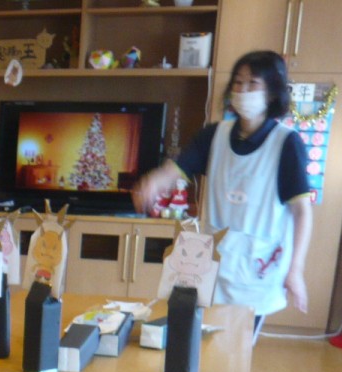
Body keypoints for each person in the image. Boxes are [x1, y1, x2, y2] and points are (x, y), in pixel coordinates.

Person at [133, 50, 313, 341]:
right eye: (238, 82)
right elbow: (177, 168)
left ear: (271, 92)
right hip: (212, 265)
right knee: (199, 345)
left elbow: (302, 212)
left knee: (234, 351)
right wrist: (153, 182)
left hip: (257, 269)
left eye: (253, 83)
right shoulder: (214, 135)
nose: (242, 90)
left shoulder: (286, 143)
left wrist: (296, 270)